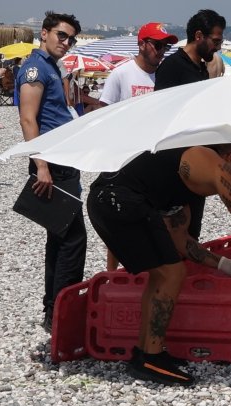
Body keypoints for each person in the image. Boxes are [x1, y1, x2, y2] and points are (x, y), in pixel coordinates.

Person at [87, 144, 231, 385]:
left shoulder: (178, 176)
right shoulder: (211, 163)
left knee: (163, 273)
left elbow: (180, 239)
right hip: (116, 201)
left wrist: (222, 263)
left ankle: (146, 352)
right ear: (229, 157)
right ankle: (150, 359)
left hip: (106, 201)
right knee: (171, 274)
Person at [17, 11, 86, 332]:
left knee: (60, 238)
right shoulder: (35, 68)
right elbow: (28, 119)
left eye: (70, 38)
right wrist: (41, 164)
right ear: (44, 33)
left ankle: (54, 310)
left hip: (62, 161)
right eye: (61, 35)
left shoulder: (50, 68)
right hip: (52, 164)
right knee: (73, 240)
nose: (66, 42)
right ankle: (62, 311)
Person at [100, 22, 178, 271]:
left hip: (156, 159)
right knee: (120, 222)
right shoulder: (121, 74)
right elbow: (104, 115)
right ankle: (113, 275)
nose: (161, 50)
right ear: (142, 44)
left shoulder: (166, 76)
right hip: (124, 160)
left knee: (157, 220)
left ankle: (154, 271)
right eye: (157, 45)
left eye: (165, 46)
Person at [155, 9, 226, 241]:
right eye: (215, 41)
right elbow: (163, 115)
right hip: (175, 164)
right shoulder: (172, 67)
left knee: (193, 230)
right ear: (198, 36)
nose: (218, 47)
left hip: (195, 160)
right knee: (175, 235)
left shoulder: (200, 69)